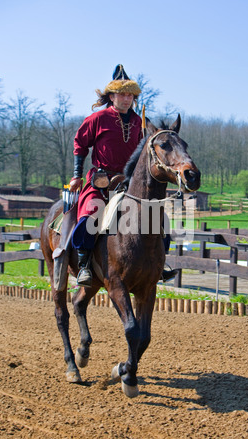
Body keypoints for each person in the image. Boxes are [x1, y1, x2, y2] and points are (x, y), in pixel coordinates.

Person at [69, 64, 177, 287]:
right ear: (112, 96)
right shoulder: (97, 119)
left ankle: (158, 266)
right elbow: (80, 144)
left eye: (130, 95)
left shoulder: (139, 122)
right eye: (122, 94)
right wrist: (77, 175)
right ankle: (85, 265)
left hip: (130, 183)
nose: (127, 99)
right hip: (101, 181)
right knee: (90, 216)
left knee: (160, 221)